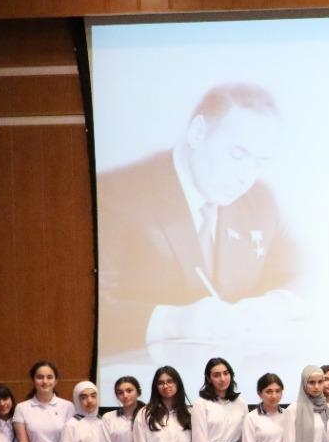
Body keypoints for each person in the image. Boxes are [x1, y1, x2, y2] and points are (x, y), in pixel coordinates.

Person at [95, 83, 300, 353]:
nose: (246, 177)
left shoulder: (260, 200)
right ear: (198, 132)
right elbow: (93, 306)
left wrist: (278, 303)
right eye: (237, 154)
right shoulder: (116, 194)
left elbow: (303, 272)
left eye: (260, 162)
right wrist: (175, 321)